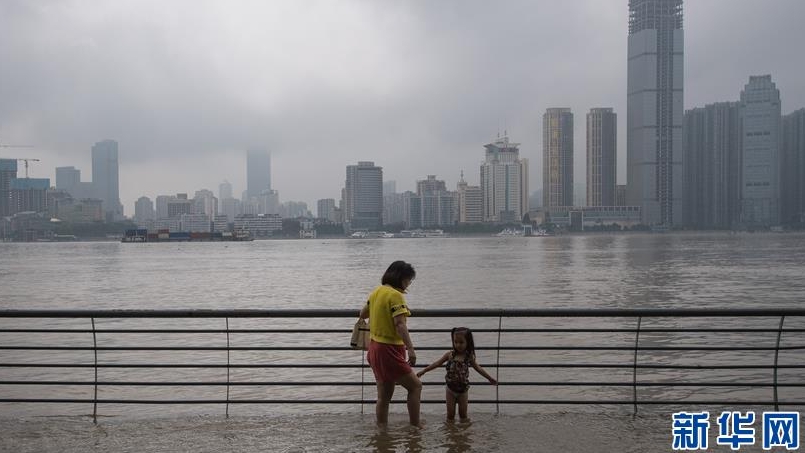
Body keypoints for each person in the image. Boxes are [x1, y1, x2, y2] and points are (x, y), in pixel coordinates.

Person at [358, 260, 422, 428]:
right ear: (401, 278)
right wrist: (411, 349)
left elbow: (362, 314)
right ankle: (415, 427)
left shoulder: (376, 291)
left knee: (384, 396)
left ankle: (382, 431)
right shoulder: (395, 295)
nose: (409, 283)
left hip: (374, 348)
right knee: (415, 386)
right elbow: (400, 324)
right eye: (409, 279)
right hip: (389, 349)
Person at [416, 327, 497, 421]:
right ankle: (451, 430)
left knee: (463, 415)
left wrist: (489, 378)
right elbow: (437, 364)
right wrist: (424, 371)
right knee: (450, 415)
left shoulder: (469, 357)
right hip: (450, 389)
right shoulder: (449, 355)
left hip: (463, 390)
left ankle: (462, 430)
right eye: (456, 342)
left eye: (461, 342)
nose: (458, 345)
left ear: (468, 342)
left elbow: (478, 368)